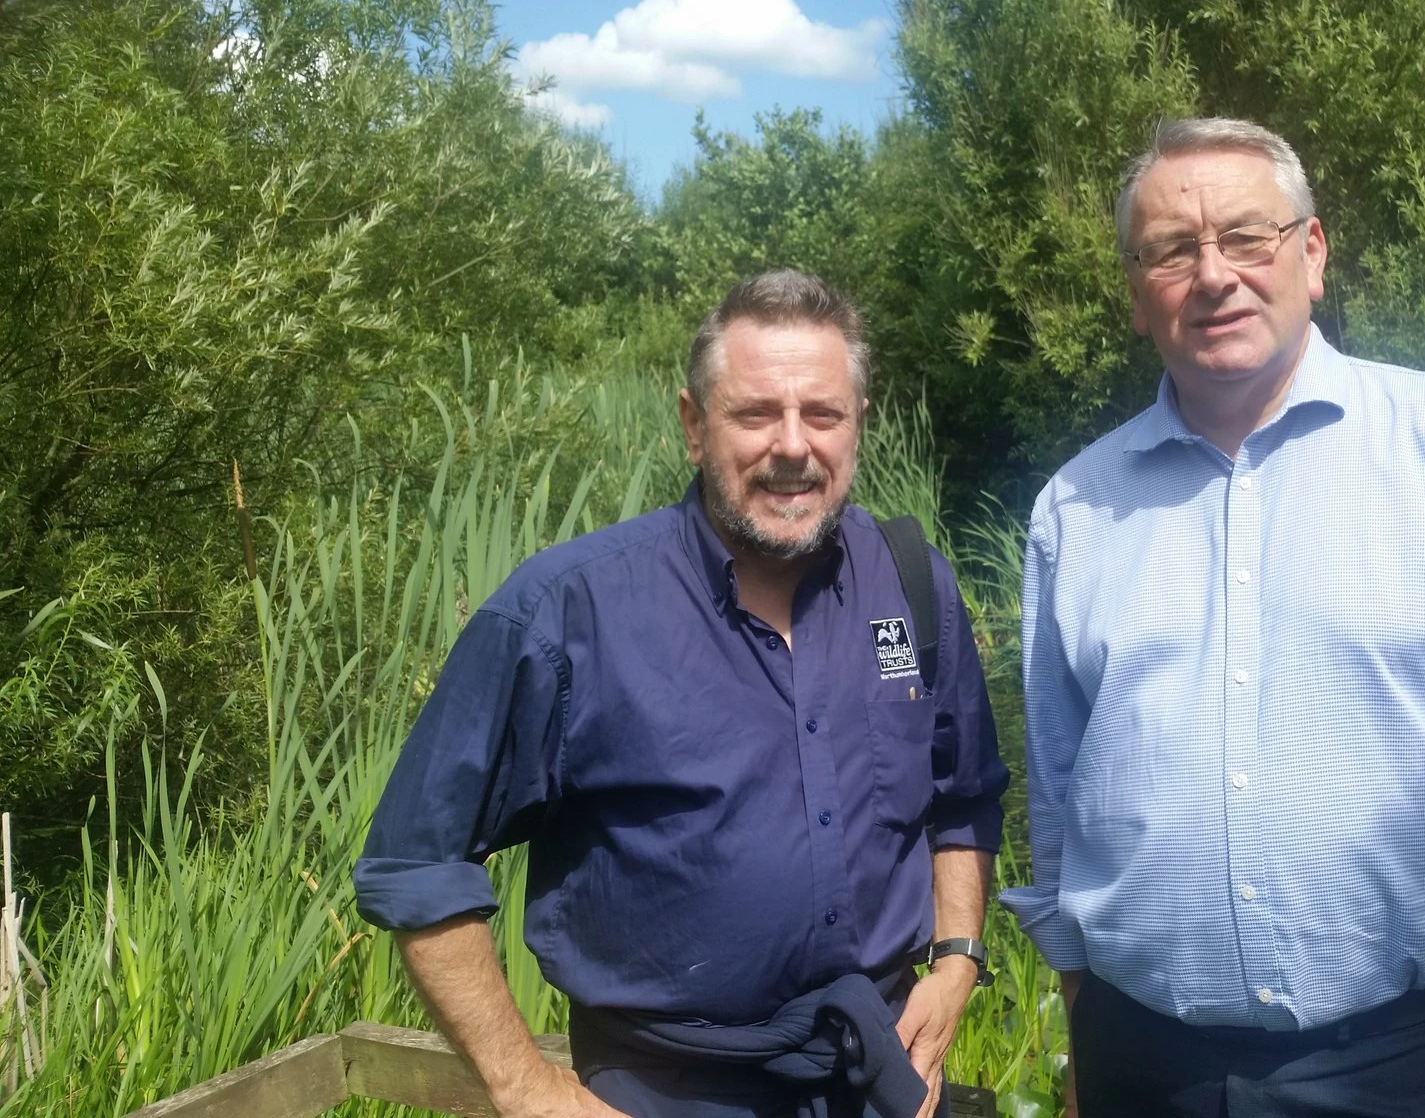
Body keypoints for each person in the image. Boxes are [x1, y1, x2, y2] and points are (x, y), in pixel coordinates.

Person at [999, 118, 1425, 1117]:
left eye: (1245, 236)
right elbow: (1059, 797)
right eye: (1171, 250)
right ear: (1136, 296)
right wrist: (1081, 1016)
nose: (1212, 274)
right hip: (1139, 1061)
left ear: (1310, 255)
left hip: (1403, 1070)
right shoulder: (1075, 507)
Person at [353, 269, 1010, 1118]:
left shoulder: (914, 586)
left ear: (857, 426)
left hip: (879, 1076)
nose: (792, 445)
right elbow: (416, 862)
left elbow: (964, 797)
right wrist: (527, 1089)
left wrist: (957, 956)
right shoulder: (570, 611)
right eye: (753, 414)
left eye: (822, 414)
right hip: (662, 1090)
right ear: (694, 426)